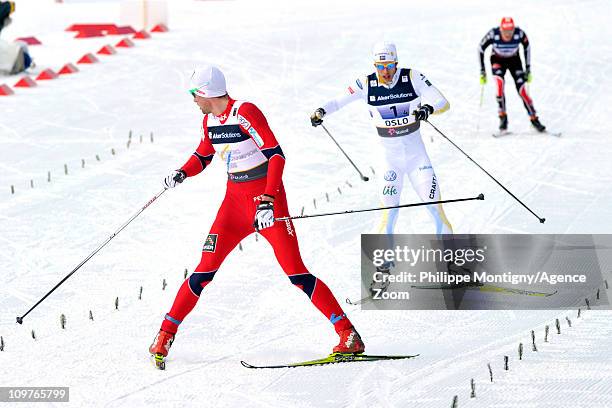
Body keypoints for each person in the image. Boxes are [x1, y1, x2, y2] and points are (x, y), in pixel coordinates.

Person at [149, 65, 365, 366]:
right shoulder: (209, 121)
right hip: (233, 206)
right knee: (202, 272)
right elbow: (203, 154)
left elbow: (276, 155)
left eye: (194, 94)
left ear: (205, 93)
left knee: (297, 274)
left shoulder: (245, 112)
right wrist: (182, 172)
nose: (193, 101)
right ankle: (164, 335)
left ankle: (348, 334)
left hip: (267, 201)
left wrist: (267, 200)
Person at [310, 42, 454, 287]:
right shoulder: (366, 84)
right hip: (389, 160)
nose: (385, 71)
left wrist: (427, 109)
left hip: (417, 157)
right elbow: (338, 101)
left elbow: (442, 102)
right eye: (380, 66)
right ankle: (384, 270)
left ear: (396, 63)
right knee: (389, 213)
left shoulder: (412, 77)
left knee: (436, 208)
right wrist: (321, 110)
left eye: (388, 66)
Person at [479, 17, 546, 132]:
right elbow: (480, 48)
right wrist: (482, 70)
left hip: (514, 61)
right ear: (501, 30)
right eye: (505, 32)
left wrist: (528, 68)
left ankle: (534, 119)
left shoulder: (519, 34)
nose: (508, 34)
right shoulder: (493, 34)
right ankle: (503, 117)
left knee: (523, 91)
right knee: (499, 85)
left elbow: (527, 47)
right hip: (497, 60)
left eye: (510, 31)